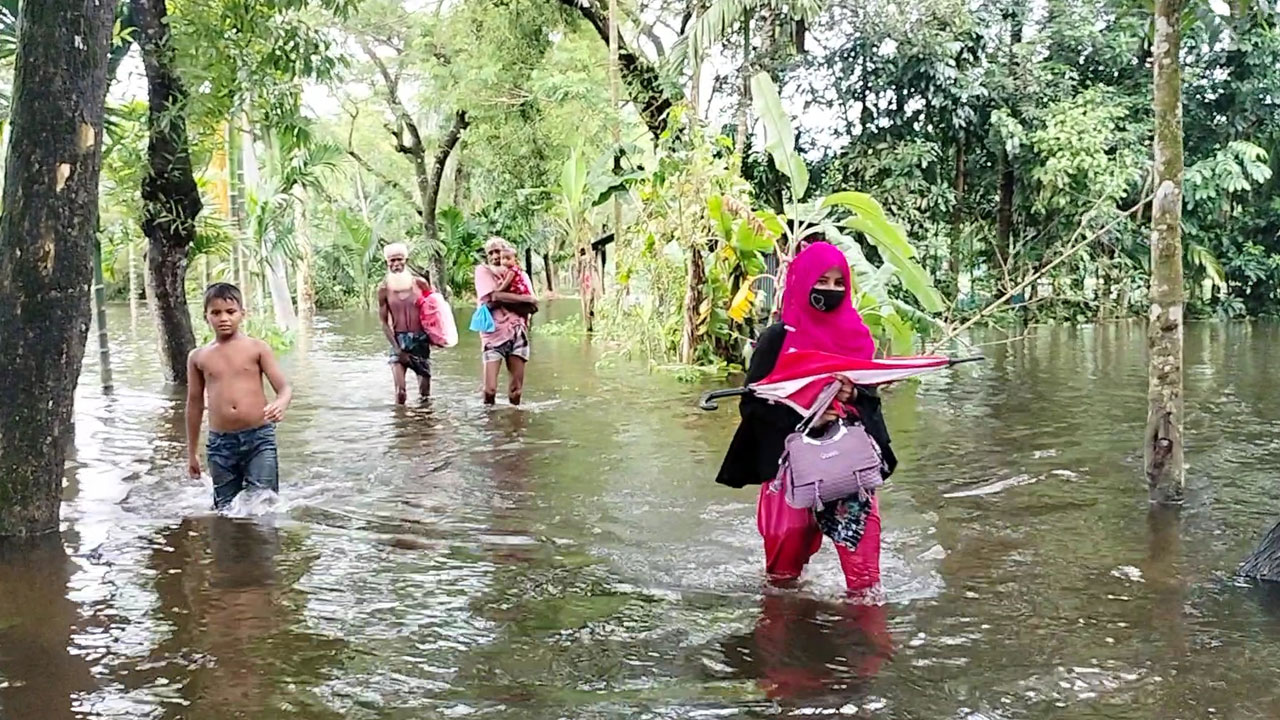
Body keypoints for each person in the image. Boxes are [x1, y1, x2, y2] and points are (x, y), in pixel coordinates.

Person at [715, 241, 897, 601]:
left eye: (838, 283)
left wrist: (853, 396)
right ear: (802, 282)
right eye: (821, 281)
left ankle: (867, 644)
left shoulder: (858, 337)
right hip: (792, 461)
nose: (829, 290)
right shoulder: (778, 339)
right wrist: (806, 412)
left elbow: (872, 402)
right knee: (783, 573)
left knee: (865, 581)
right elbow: (753, 406)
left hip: (848, 460)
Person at [186, 283, 292, 510]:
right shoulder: (198, 357)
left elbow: (284, 388)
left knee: (264, 505)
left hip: (259, 439)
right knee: (226, 511)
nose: (223, 318)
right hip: (220, 445)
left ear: (242, 314)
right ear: (206, 317)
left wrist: (280, 403)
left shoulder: (257, 348)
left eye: (230, 312)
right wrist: (192, 453)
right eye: (216, 312)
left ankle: (260, 544)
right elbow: (194, 404)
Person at [474, 237, 538, 405]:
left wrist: (500, 296)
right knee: (490, 390)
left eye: (499, 252)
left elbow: (533, 304)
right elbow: (489, 300)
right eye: (491, 253)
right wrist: (520, 300)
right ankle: (489, 425)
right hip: (493, 334)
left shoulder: (521, 274)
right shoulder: (483, 271)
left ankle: (515, 426)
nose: (495, 256)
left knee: (516, 391)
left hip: (518, 332)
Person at [377, 242, 433, 403]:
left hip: (420, 340)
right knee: (400, 393)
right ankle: (400, 426)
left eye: (399, 260)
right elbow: (384, 322)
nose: (396, 264)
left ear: (406, 261)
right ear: (387, 263)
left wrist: (437, 337)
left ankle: (422, 426)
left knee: (424, 395)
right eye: (392, 261)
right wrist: (397, 348)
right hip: (399, 340)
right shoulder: (383, 289)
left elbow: (434, 311)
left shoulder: (420, 284)